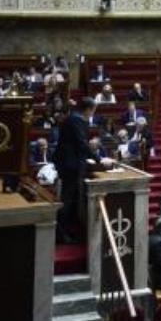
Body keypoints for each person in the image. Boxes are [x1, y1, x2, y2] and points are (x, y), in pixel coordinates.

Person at [54, 98, 103, 242]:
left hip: (70, 163)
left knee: (71, 199)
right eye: (93, 110)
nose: (93, 113)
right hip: (71, 165)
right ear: (88, 109)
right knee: (68, 199)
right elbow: (81, 143)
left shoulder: (73, 118)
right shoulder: (77, 120)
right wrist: (98, 159)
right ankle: (61, 234)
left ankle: (67, 231)